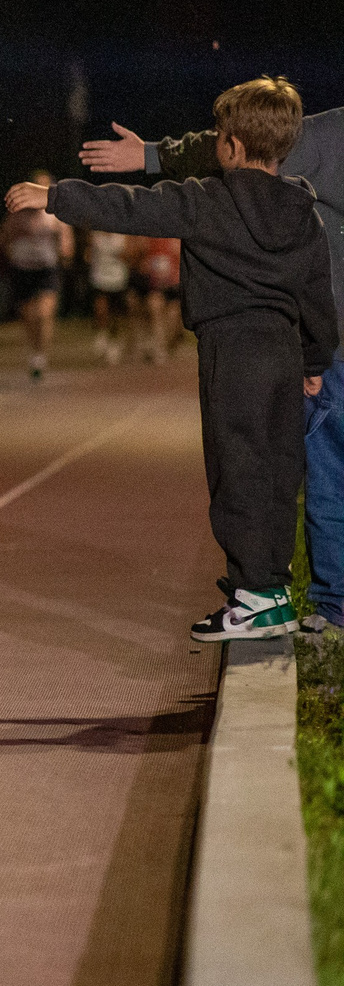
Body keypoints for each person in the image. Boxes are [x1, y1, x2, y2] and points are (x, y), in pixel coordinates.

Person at [19, 76, 333, 639]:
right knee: (278, 471)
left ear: (230, 146)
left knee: (235, 469)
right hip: (285, 352)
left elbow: (131, 208)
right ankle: (274, 588)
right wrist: (314, 362)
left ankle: (252, 595)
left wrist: (56, 197)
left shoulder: (204, 200)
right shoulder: (304, 212)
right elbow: (317, 297)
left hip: (230, 350)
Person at [0, 169, 71, 381]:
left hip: (46, 269)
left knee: (44, 313)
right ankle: (34, 350)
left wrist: (64, 252)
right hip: (22, 268)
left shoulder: (55, 214)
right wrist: (13, 243)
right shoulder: (18, 212)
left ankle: (41, 355)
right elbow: (3, 238)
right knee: (29, 316)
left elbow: (66, 241)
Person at [86, 227, 134, 364]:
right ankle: (101, 334)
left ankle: (114, 342)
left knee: (116, 315)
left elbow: (130, 254)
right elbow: (88, 252)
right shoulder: (95, 233)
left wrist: (122, 255)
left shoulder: (121, 235)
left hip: (118, 278)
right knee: (100, 309)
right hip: (99, 277)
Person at [133, 235, 184, 363]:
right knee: (155, 307)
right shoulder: (148, 240)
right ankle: (158, 347)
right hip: (155, 286)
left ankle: (169, 343)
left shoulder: (176, 240)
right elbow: (140, 263)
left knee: (173, 319)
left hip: (173, 286)